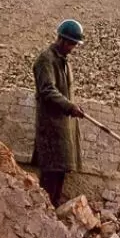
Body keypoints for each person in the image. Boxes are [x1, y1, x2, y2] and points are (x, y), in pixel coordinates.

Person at [32, 19, 85, 207]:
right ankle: (43, 213)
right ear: (62, 40)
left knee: (60, 172)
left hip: (63, 129)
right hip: (50, 128)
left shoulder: (64, 62)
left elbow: (65, 92)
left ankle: (52, 212)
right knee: (50, 176)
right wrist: (70, 107)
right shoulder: (45, 60)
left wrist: (73, 106)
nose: (72, 48)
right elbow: (47, 90)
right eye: (71, 44)